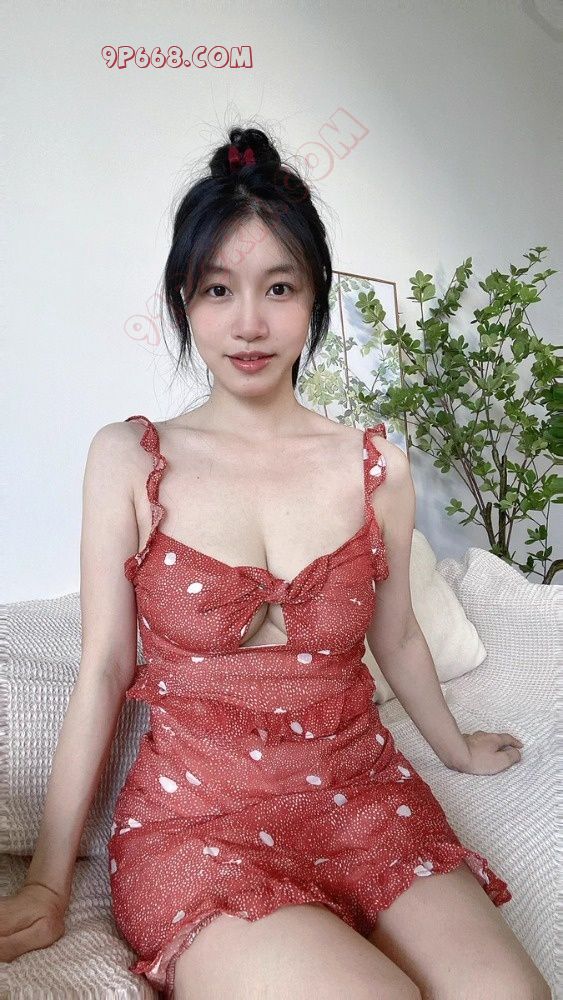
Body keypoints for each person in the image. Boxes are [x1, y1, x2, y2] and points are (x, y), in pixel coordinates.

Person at [1, 126, 551, 1000]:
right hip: (201, 825)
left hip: (362, 799)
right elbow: (103, 669)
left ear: (315, 297)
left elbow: (398, 638)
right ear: (184, 300)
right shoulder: (128, 458)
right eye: (218, 289)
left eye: (279, 288)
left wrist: (456, 748)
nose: (249, 323)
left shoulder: (377, 467)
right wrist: (48, 882)